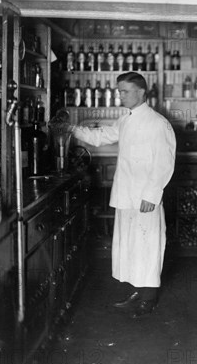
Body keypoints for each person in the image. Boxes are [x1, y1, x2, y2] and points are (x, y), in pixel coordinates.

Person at [73, 72, 176, 318]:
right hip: (126, 194)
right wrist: (71, 129)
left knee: (148, 246)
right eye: (119, 91)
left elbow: (164, 163)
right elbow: (101, 137)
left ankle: (148, 298)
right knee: (130, 245)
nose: (120, 95)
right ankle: (138, 292)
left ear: (141, 92)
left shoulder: (158, 123)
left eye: (125, 91)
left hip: (146, 198)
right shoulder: (126, 120)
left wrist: (152, 194)